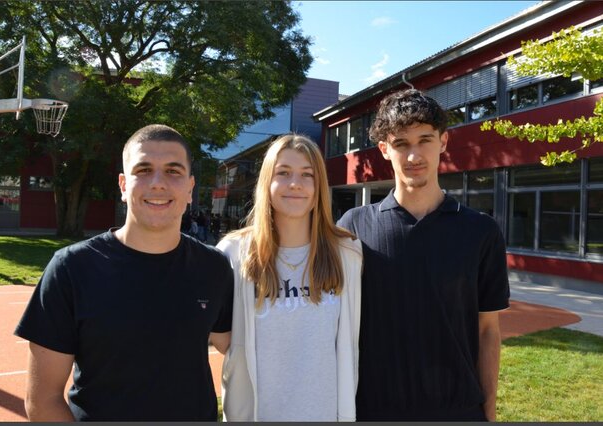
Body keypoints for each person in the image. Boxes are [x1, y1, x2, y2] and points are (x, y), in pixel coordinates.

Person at [14, 124, 234, 421]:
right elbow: (42, 401)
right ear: (122, 185)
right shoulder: (71, 268)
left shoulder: (214, 268)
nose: (158, 183)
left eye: (173, 171)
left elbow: (241, 346)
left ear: (190, 189)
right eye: (143, 170)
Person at [337, 89, 510, 422]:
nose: (414, 156)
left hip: (458, 411)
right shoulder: (352, 227)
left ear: (443, 142)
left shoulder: (481, 231)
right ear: (384, 149)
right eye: (401, 144)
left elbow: (488, 329)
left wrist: (488, 409)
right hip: (373, 411)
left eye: (425, 140)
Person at [216, 134, 362, 421]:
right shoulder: (233, 253)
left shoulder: (347, 253)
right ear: (266, 182)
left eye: (307, 175)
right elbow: (224, 339)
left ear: (318, 185)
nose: (295, 183)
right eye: (283, 173)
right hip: (257, 415)